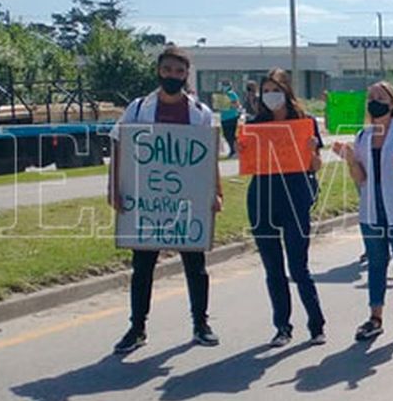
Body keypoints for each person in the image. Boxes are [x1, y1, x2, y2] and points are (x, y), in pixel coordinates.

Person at [109, 45, 222, 355]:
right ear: (159, 71)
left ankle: (201, 324)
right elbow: (119, 147)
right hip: (147, 203)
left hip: (188, 203)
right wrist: (114, 189)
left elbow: (210, 155)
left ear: (187, 75)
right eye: (168, 70)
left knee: (195, 266)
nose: (173, 76)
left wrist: (216, 192)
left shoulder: (200, 113)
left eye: (179, 72)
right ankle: (137, 327)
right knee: (142, 267)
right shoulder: (137, 109)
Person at [331, 80, 393, 343]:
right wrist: (350, 159)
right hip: (372, 210)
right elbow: (360, 179)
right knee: (376, 265)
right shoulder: (363, 136)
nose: (374, 101)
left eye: (380, 97)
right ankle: (375, 318)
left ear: (392, 103)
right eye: (371, 96)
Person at [245, 69, 326, 347]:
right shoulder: (256, 123)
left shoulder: (305, 123)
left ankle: (316, 325)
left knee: (298, 266)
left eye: (275, 90)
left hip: (295, 197)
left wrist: (313, 150)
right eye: (266, 91)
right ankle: (283, 327)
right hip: (263, 199)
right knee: (273, 268)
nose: (270, 96)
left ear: (287, 91)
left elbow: (315, 166)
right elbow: (248, 163)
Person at [218, 79, 242, 158]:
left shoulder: (232, 94)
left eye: (225, 84)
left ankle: (235, 151)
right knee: (226, 134)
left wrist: (228, 104)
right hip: (224, 117)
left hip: (231, 116)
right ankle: (232, 149)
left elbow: (236, 104)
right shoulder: (222, 95)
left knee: (231, 135)